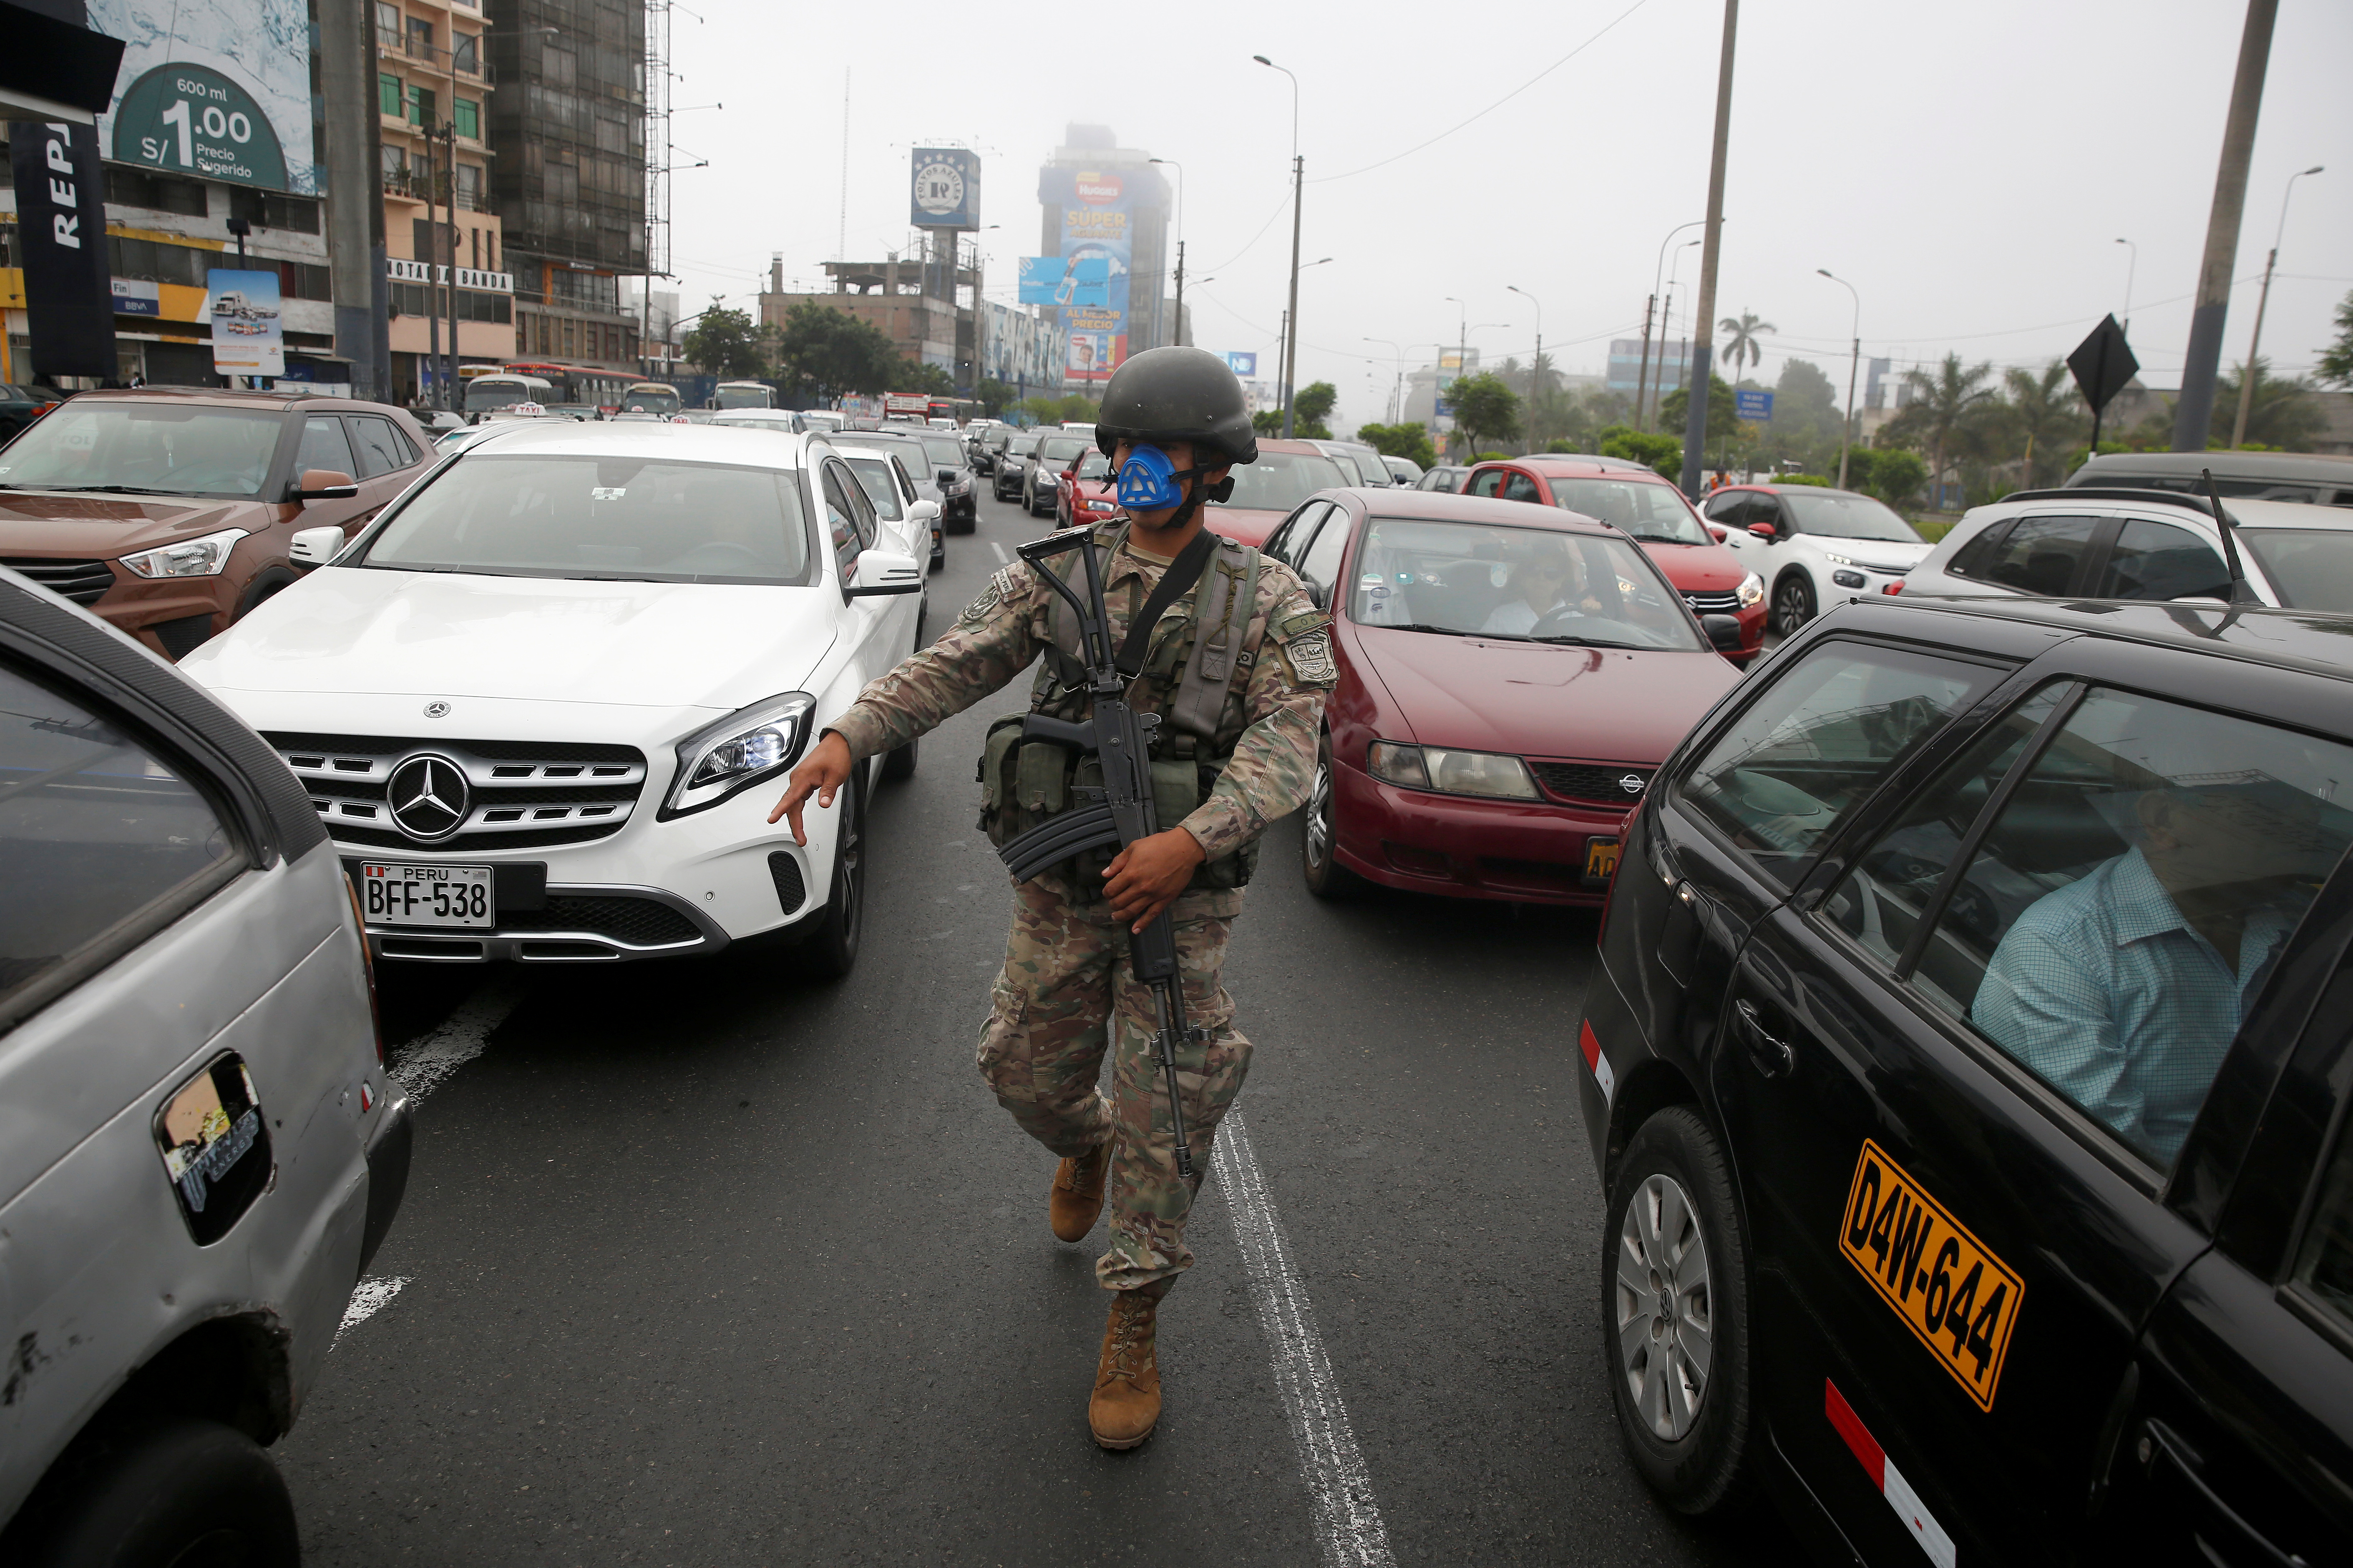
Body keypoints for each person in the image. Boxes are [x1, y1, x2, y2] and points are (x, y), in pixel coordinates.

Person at [769, 346, 1333, 1450]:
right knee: (1018, 1070)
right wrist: (849, 734)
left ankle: (1132, 1323)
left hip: (1180, 903)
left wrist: (1189, 839)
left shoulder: (1268, 599)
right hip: (1064, 888)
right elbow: (957, 663)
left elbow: (1287, 747)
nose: (1141, 468)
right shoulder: (1058, 573)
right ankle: (1084, 1146)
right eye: (1126, 447)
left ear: (1213, 468)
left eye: (1168, 451)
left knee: (1166, 1111)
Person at [1974, 783, 2320, 1163]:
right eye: (2270, 815)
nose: (2306, 833)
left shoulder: (2296, 919)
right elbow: (2110, 1158)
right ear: (2163, 820)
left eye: (2312, 814)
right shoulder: (2062, 946)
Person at [1478, 540, 1601, 636]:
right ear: (1523, 578)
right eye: (1534, 571)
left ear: (1561, 581)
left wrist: (1593, 615)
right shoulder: (1502, 616)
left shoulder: (1577, 617)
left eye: (1551, 573)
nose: (1541, 578)